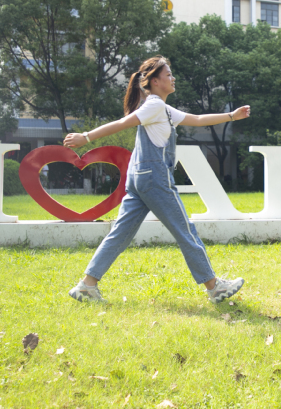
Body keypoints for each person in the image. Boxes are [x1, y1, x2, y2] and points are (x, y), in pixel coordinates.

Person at [63, 56, 250, 304]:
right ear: (154, 81)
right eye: (168, 74)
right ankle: (214, 287)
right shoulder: (155, 106)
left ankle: (87, 286)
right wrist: (86, 137)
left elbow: (196, 119)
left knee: (120, 233)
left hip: (139, 179)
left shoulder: (163, 109)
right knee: (185, 230)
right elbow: (123, 122)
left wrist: (231, 116)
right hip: (155, 178)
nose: (173, 78)